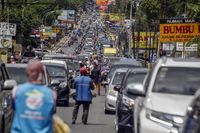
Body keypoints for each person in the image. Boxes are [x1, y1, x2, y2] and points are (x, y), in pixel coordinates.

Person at [11, 59, 56, 133]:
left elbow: (14, 109)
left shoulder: (16, 91)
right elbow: (52, 113)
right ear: (41, 73)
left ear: (27, 73)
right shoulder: (51, 94)